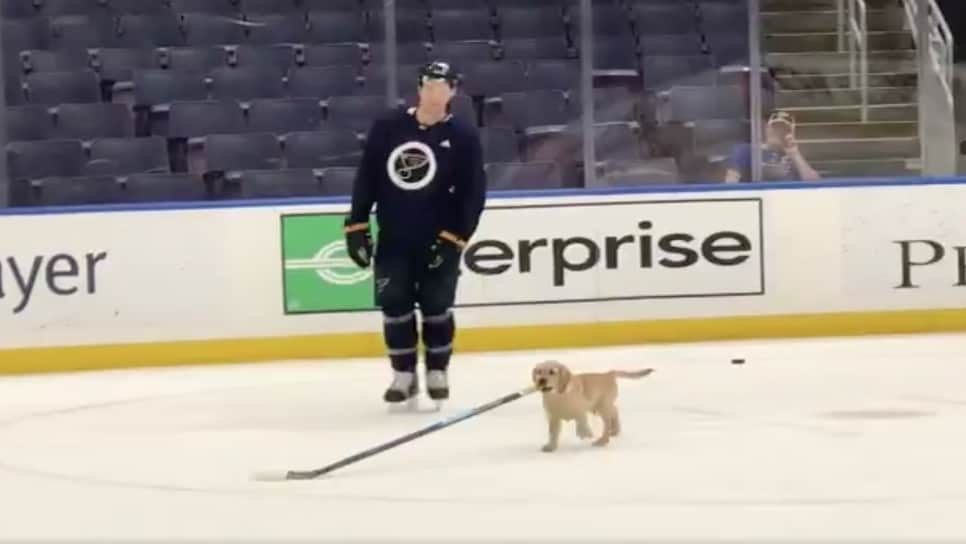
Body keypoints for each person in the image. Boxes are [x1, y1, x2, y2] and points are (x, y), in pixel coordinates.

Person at [342, 61, 487, 407]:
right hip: (394, 236)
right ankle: (403, 373)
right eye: (428, 84)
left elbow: (473, 194)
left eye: (442, 86)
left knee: (437, 306)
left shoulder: (464, 136)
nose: (435, 92)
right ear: (419, 88)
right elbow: (367, 177)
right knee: (395, 305)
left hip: (438, 238)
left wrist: (454, 240)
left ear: (453, 90)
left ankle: (438, 370)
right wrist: (357, 224)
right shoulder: (388, 127)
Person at [724, 110, 821, 183]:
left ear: (790, 132)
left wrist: (795, 154)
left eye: (782, 129)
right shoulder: (746, 151)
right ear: (766, 128)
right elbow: (730, 184)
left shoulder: (795, 156)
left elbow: (815, 185)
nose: (777, 132)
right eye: (774, 128)